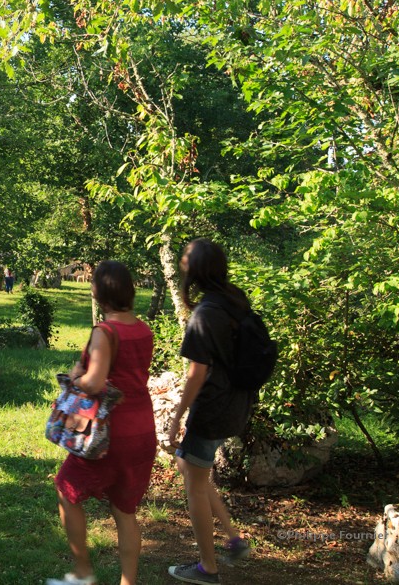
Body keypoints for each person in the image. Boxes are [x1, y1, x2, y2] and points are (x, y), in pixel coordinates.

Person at [47, 261, 156, 585]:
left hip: (110, 434)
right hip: (142, 430)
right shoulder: (143, 328)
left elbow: (95, 383)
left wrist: (76, 377)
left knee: (66, 489)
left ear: (99, 291)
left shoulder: (105, 331)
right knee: (125, 511)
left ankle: (82, 571)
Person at [166, 239, 253, 585]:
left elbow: (196, 374)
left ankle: (208, 568)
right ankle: (233, 540)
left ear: (197, 268)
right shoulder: (235, 300)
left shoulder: (205, 314)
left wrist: (176, 415)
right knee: (190, 467)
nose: (182, 260)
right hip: (237, 403)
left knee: (195, 485)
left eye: (186, 257)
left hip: (213, 409)